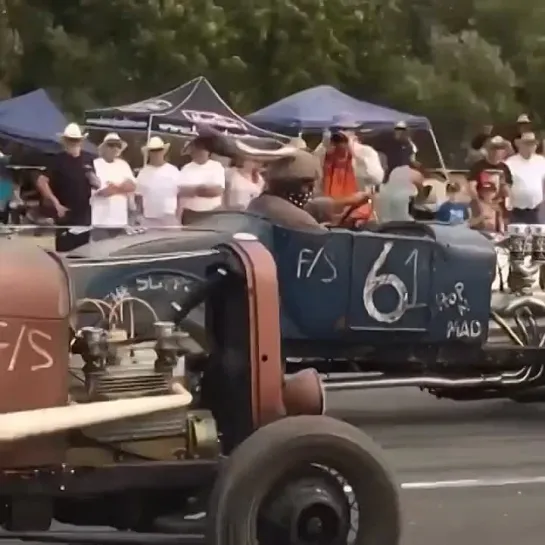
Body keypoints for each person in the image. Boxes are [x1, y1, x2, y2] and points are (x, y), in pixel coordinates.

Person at [36, 123, 97, 252]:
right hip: (65, 212)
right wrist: (56, 203)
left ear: (81, 141)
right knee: (64, 249)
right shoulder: (57, 159)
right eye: (71, 139)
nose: (73, 142)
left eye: (76, 139)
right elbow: (42, 182)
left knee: (83, 250)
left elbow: (96, 183)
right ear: (65, 141)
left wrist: (93, 178)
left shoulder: (88, 158)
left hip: (84, 212)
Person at [314, 117, 383, 224]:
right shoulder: (324, 152)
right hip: (329, 214)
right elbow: (314, 176)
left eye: (345, 130)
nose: (340, 137)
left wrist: (355, 152)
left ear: (354, 133)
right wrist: (324, 147)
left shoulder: (365, 152)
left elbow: (377, 178)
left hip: (358, 215)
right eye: (337, 130)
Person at [91, 133, 135, 240]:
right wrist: (121, 188)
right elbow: (102, 191)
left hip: (120, 220)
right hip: (100, 221)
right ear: (104, 147)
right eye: (111, 145)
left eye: (118, 145)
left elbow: (132, 186)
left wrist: (115, 188)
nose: (115, 148)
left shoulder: (123, 164)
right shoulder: (95, 164)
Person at [135, 136, 183, 228]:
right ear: (149, 153)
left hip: (170, 216)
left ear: (163, 151)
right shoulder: (143, 172)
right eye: (153, 150)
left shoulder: (173, 170)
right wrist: (139, 216)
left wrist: (179, 216)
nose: (156, 153)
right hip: (149, 217)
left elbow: (180, 195)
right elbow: (139, 197)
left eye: (158, 150)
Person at [177, 136, 226, 224]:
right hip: (190, 214)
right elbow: (181, 192)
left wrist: (194, 190)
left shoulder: (216, 167)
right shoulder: (186, 168)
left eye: (202, 149)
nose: (199, 152)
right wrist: (202, 189)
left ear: (208, 152)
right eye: (196, 150)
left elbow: (217, 191)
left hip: (211, 213)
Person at [505, 132, 545, 224]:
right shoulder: (510, 163)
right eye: (527, 144)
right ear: (520, 145)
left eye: (533, 144)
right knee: (517, 236)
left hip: (536, 210)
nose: (530, 147)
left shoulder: (541, 161)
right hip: (516, 211)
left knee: (536, 236)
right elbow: (506, 186)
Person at [467, 135, 512, 208]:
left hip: (498, 207)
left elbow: (507, 190)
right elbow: (471, 187)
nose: (496, 151)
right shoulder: (477, 166)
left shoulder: (505, 168)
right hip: (480, 206)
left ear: (503, 151)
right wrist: (480, 204)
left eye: (500, 148)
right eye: (493, 148)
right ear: (488, 149)